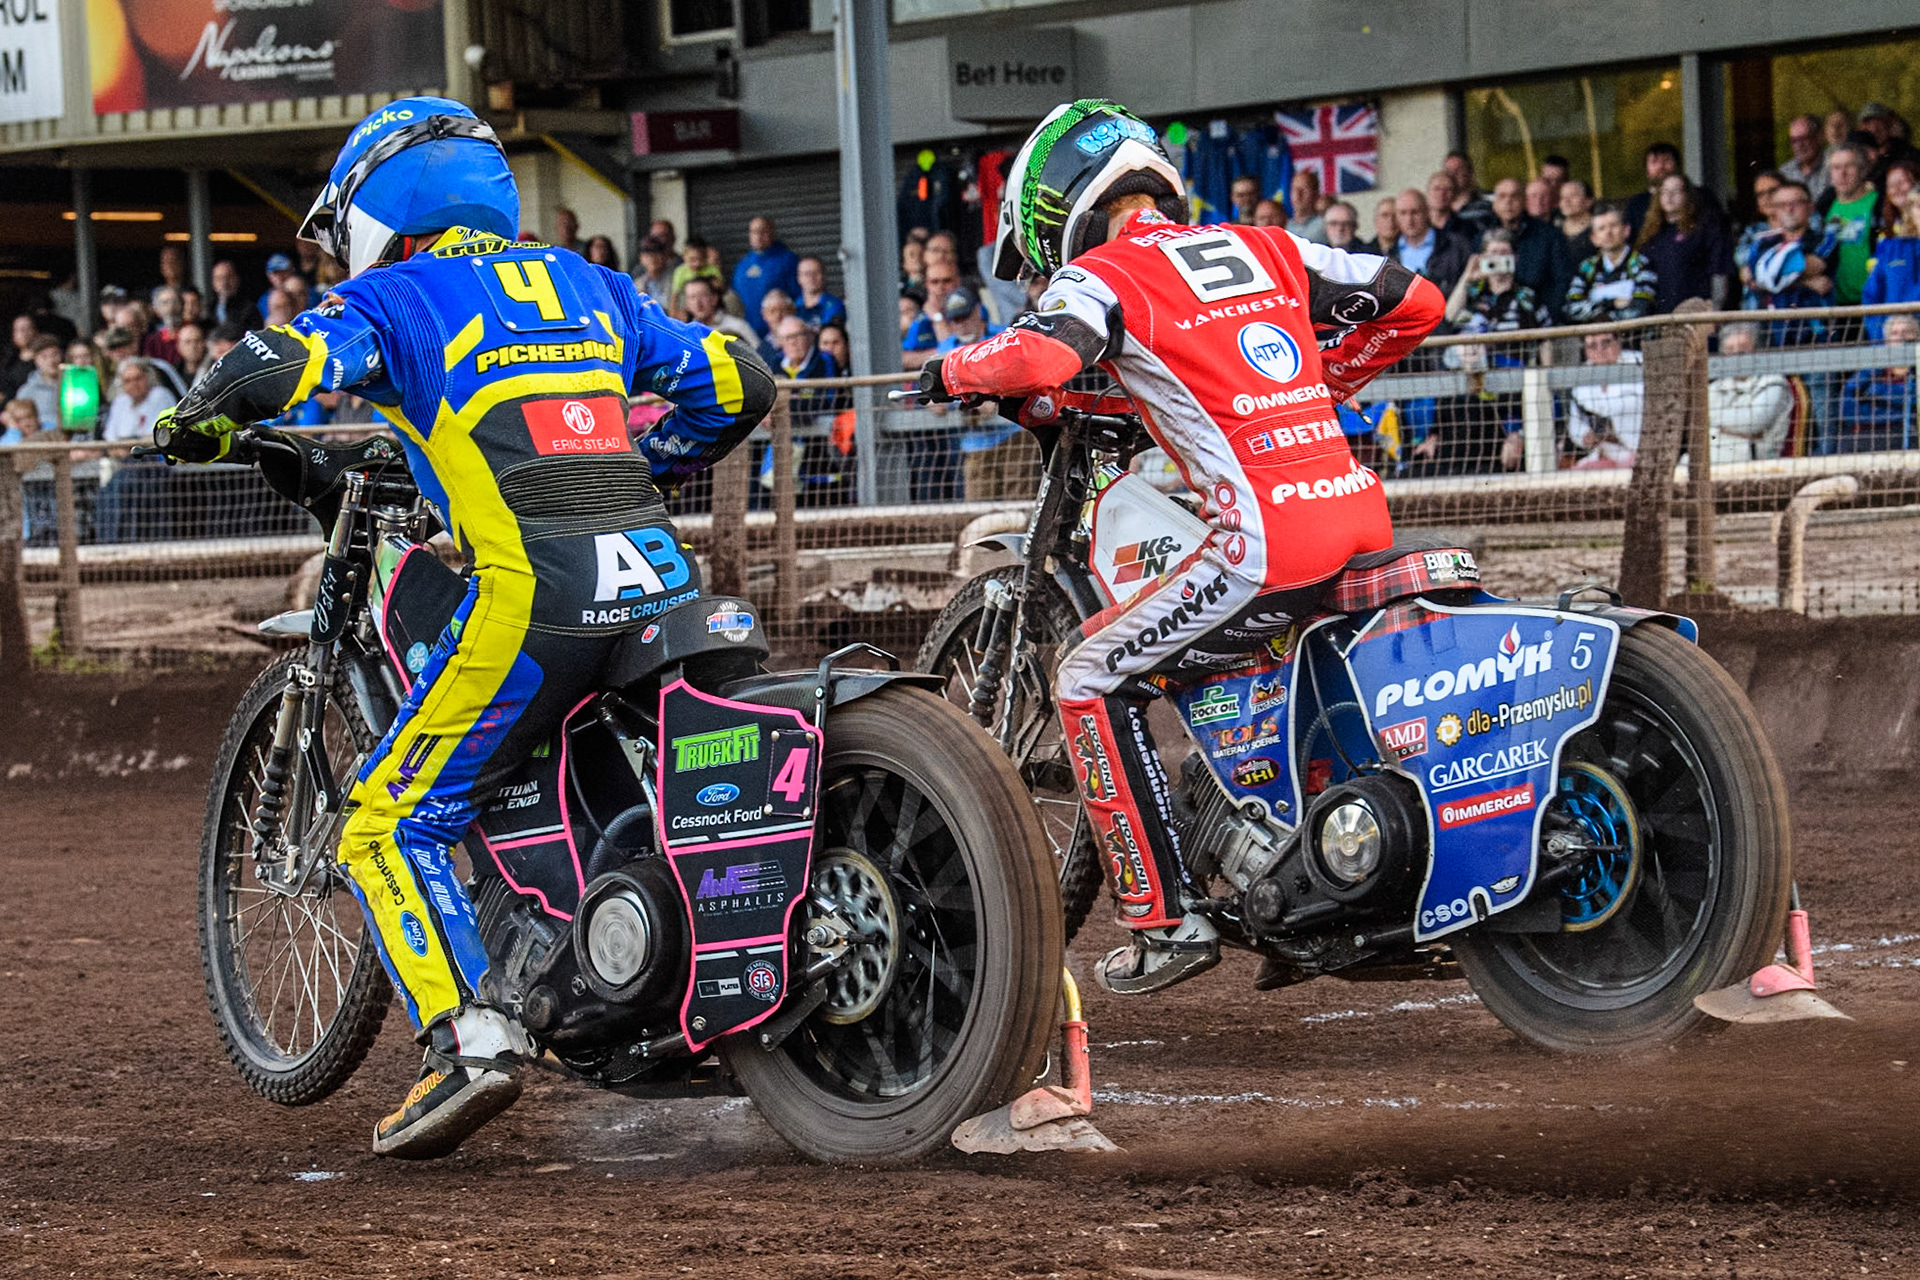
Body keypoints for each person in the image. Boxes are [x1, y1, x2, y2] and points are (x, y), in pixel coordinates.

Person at [152, 96, 774, 1160]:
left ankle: (471, 1040)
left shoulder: (394, 296)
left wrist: (195, 419)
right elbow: (741, 382)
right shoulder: (590, 283)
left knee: (385, 821)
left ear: (386, 203)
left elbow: (274, 366)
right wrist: (648, 461)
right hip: (662, 584)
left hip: (534, 602)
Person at [926, 99, 1443, 995]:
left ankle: (1166, 922)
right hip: (1358, 513)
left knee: (1087, 677)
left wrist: (949, 369)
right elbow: (1417, 301)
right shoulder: (1266, 246)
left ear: (1059, 210)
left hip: (1268, 547)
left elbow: (1037, 363)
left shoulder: (1101, 276)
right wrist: (1325, 378)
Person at [1635, 174, 1727, 311]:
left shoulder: (1704, 229)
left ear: (1688, 195)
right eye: (1664, 191)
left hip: (1697, 315)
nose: (1669, 196)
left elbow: (1719, 273)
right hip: (1660, 320)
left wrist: (1715, 312)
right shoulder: (1651, 234)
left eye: (1676, 191)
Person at [1706, 322, 1792, 463]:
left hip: (1755, 456)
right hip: (1716, 448)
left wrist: (1714, 421)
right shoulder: (1717, 386)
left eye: (1742, 350)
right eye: (1729, 350)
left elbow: (1753, 422)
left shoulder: (1774, 382)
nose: (1735, 356)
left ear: (1756, 351)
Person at [1562, 202, 1658, 324]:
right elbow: (1570, 310)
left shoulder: (1642, 264)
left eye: (1613, 225)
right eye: (1601, 228)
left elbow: (1641, 309)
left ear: (1626, 230)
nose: (1608, 232)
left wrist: (1595, 312)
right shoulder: (1586, 268)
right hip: (1594, 341)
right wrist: (1611, 303)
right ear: (1593, 238)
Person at [1834, 313, 1918, 452]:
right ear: (1886, 340)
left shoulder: (1916, 370)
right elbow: (1846, 407)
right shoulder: (1872, 368)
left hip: (1903, 432)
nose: (1900, 337)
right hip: (1863, 433)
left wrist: (1871, 393)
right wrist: (1896, 405)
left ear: (1916, 337)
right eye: (1894, 333)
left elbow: (1914, 401)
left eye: (1906, 332)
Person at [1487, 177, 1572, 304]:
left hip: (1539, 316)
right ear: (1494, 203)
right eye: (1502, 196)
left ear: (1524, 201)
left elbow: (1562, 281)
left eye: (1514, 196)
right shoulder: (1483, 238)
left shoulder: (1550, 235)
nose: (1508, 202)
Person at [1568, 330, 1643, 468]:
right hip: (1604, 454)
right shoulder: (1581, 375)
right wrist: (1585, 437)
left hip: (1641, 451)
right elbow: (1575, 424)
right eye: (1592, 346)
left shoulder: (1639, 362)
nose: (1600, 351)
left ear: (1618, 341)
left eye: (1606, 343)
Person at [1819, 143, 1880, 307]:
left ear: (1863, 170)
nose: (1842, 174)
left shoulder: (1879, 203)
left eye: (1849, 166)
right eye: (1836, 168)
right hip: (1836, 303)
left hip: (1874, 300)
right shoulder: (1824, 207)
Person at [1390, 187, 1470, 295]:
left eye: (1415, 212)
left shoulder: (1456, 245)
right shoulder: (1390, 254)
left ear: (1427, 212)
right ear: (1396, 217)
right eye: (1403, 213)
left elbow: (1471, 286)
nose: (1409, 220)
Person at [1862, 191, 1920, 340]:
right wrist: (1884, 332)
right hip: (1891, 348)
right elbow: (1871, 297)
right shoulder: (1891, 248)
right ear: (1911, 211)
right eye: (1918, 206)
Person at [732, 217, 802, 338]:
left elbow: (799, 297)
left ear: (772, 232)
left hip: (781, 335)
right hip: (748, 335)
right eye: (754, 232)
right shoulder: (743, 265)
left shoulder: (788, 261)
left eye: (763, 231)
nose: (758, 236)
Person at [682, 275, 757, 344]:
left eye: (703, 296)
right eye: (692, 297)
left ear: (714, 298)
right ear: (687, 304)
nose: (697, 303)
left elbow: (759, 354)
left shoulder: (738, 327)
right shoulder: (686, 334)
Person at [1779, 114, 1831, 204]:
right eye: (1794, 141)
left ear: (1819, 137)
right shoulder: (1785, 172)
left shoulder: (1834, 166)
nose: (1799, 145)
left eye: (1804, 138)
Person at [16, 336, 63, 428]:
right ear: (36, 360)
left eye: (55, 354)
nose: (51, 360)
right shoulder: (26, 392)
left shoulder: (72, 386)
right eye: (44, 356)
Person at [793, 255, 845, 329]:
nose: (811, 278)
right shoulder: (792, 308)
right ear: (799, 278)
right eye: (806, 274)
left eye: (816, 272)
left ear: (824, 276)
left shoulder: (835, 306)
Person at [209, 260, 260, 329]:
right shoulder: (208, 309)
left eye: (228, 277)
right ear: (213, 282)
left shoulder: (249, 309)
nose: (224, 283)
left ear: (237, 279)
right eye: (219, 278)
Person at [1558, 179, 1596, 265]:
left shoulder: (1599, 229)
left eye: (1573, 196)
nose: (1566, 201)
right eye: (1562, 197)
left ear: (1588, 201)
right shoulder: (1555, 228)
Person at [631, 235, 674, 302]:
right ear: (641, 258)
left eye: (656, 253)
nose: (652, 258)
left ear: (665, 256)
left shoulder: (675, 279)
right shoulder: (637, 284)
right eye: (647, 255)